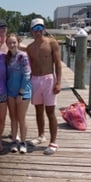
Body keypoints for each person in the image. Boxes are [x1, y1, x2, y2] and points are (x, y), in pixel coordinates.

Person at [26, 18, 62, 155]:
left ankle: (53, 141)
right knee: (38, 110)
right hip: (35, 80)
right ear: (31, 31)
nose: (38, 31)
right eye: (35, 29)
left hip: (48, 79)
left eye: (40, 28)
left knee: (50, 112)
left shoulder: (52, 43)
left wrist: (58, 82)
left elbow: (58, 63)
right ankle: (41, 135)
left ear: (44, 29)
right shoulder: (30, 48)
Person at [5, 33, 32, 154]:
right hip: (10, 92)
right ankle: (14, 141)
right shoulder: (8, 57)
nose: (12, 45)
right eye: (9, 43)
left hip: (23, 93)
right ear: (6, 44)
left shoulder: (23, 56)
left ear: (18, 43)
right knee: (13, 118)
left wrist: (21, 93)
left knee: (21, 118)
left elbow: (27, 75)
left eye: (14, 42)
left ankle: (23, 142)